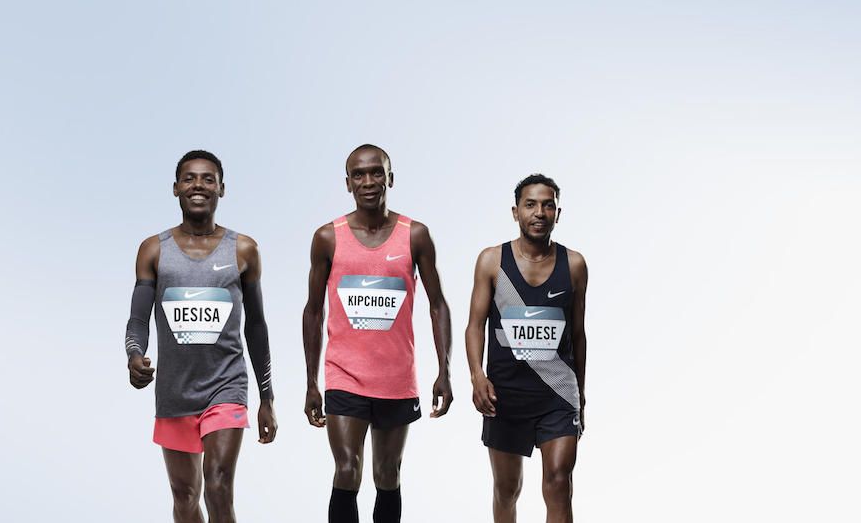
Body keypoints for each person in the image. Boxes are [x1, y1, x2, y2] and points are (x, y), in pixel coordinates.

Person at [124, 150, 277, 523]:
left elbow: (256, 326)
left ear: (221, 189)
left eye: (208, 179)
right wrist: (134, 355)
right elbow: (138, 318)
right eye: (190, 178)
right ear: (176, 188)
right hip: (175, 391)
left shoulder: (243, 250)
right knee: (186, 496)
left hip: (226, 387)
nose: (198, 185)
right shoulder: (153, 250)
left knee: (219, 487)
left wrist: (267, 397)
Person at [302, 144, 453, 523]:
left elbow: (438, 304)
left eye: (376, 172)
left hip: (396, 380)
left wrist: (444, 371)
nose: (368, 181)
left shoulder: (415, 235)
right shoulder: (327, 237)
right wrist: (311, 382)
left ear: (390, 177)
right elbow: (314, 310)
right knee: (348, 469)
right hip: (344, 376)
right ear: (348, 182)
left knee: (387, 474)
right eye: (359, 174)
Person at [464, 174, 588, 523]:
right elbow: (475, 325)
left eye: (548, 205)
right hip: (505, 395)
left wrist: (582, 393)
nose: (539, 212)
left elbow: (578, 335)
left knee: (559, 482)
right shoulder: (491, 261)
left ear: (557, 213)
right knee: (507, 490)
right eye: (530, 204)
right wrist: (477, 376)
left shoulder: (574, 265)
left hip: (558, 396)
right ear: (515, 211)